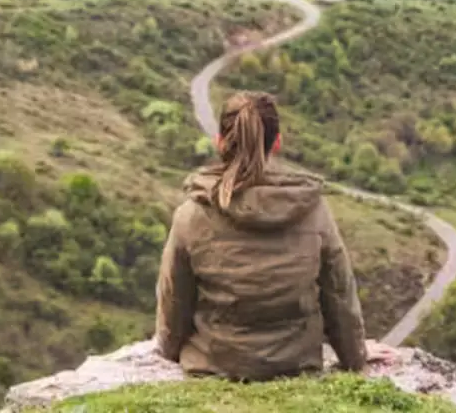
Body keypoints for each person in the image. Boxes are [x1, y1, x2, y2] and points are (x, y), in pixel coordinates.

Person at [155, 91, 393, 381]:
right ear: (277, 143)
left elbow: (174, 299)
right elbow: (338, 293)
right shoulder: (312, 209)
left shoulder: (191, 215)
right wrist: (355, 356)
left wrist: (169, 350)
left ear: (220, 143)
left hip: (214, 364)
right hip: (295, 365)